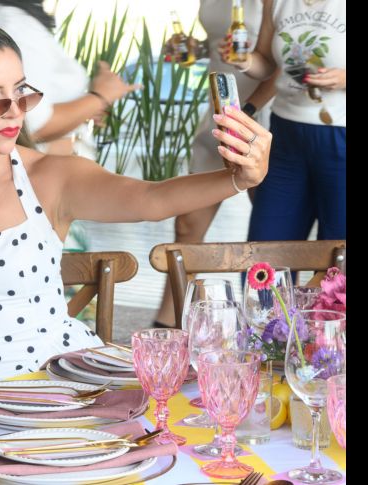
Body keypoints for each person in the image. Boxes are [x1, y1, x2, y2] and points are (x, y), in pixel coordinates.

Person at [0, 18, 272, 403]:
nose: (14, 111)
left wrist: (239, 180)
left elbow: (151, 200)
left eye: (21, 91)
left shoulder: (50, 178)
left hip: (60, 388)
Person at [152, 0, 279, 329]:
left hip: (259, 116)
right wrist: (194, 48)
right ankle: (171, 322)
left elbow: (282, 64)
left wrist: (246, 113)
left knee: (269, 232)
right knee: (187, 224)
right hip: (220, 114)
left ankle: (271, 328)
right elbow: (219, 45)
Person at [220, 0, 345, 262]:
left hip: (340, 138)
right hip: (285, 136)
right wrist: (243, 59)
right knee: (266, 254)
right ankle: (269, 306)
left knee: (339, 258)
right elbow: (266, 63)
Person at [0, 0, 138, 156]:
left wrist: (84, 108)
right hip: (53, 177)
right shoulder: (16, 25)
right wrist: (100, 97)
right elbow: (31, 124)